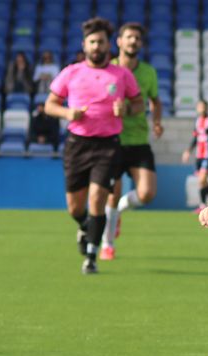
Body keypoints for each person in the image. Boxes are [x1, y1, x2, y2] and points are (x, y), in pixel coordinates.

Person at [45, 17, 142, 274]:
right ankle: (84, 225)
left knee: (98, 198)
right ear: (84, 45)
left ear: (108, 44)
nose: (97, 46)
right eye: (92, 42)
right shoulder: (71, 72)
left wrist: (127, 108)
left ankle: (91, 256)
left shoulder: (122, 74)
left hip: (108, 145)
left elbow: (138, 104)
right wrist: (69, 114)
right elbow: (49, 104)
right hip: (77, 144)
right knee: (75, 207)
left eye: (101, 42)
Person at [100, 21, 163, 261]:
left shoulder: (148, 72)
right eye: (129, 37)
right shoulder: (107, 69)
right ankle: (107, 244)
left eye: (137, 38)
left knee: (147, 193)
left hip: (138, 139)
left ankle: (118, 214)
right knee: (111, 194)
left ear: (141, 43)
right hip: (112, 139)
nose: (133, 41)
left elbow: (155, 101)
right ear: (119, 41)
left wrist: (156, 122)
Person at [181, 100, 208, 209]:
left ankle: (203, 205)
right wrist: (188, 151)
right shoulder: (197, 121)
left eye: (204, 107)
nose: (202, 109)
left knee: (201, 180)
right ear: (197, 108)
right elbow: (195, 138)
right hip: (199, 155)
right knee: (204, 182)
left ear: (207, 108)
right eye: (200, 107)